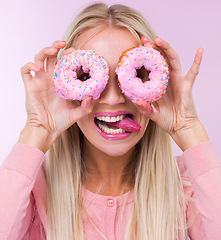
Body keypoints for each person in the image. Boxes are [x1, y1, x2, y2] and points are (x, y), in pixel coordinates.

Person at [0, 3, 221, 240]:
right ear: (66, 87)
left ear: (157, 87)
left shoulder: (187, 185)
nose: (114, 98)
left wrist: (188, 128)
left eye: (137, 74)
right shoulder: (30, 189)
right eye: (86, 76)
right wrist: (37, 129)